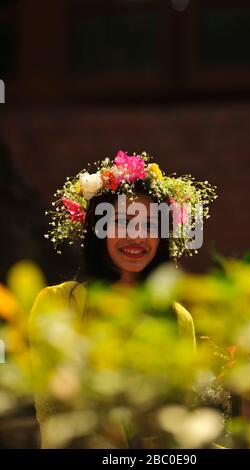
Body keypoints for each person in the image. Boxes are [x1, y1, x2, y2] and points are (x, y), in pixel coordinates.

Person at [29, 150, 217, 448]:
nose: (137, 236)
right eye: (122, 222)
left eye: (150, 225)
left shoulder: (178, 317)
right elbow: (53, 411)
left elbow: (181, 414)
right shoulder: (57, 303)